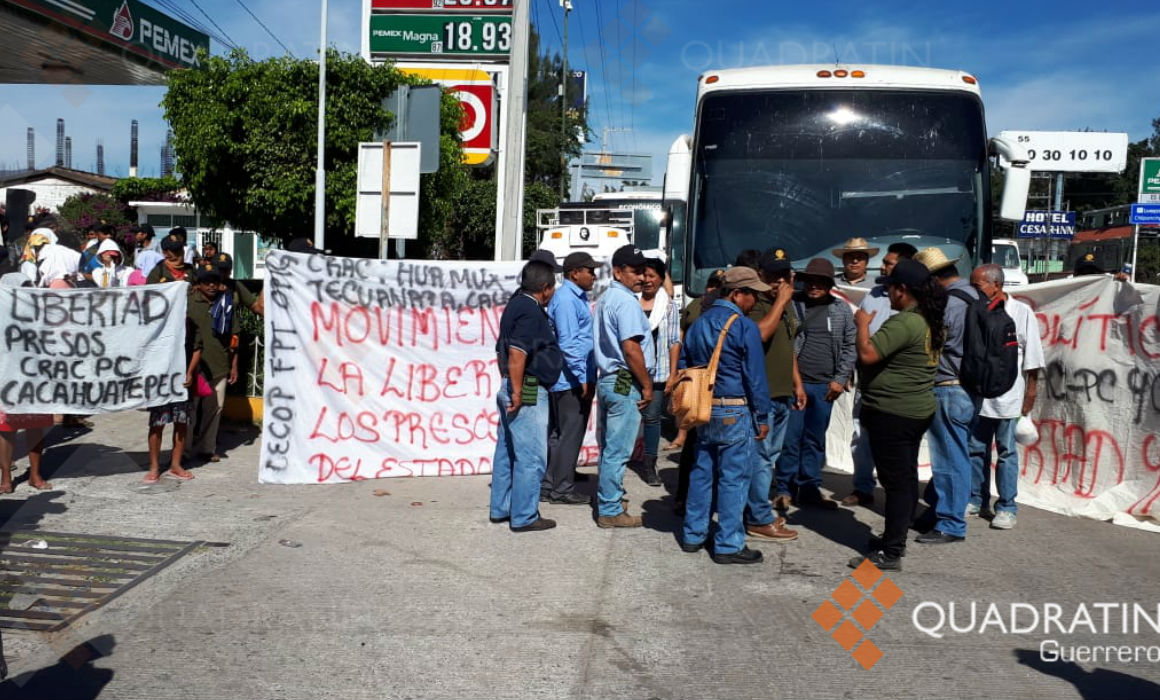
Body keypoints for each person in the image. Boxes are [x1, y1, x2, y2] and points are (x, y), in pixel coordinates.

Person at [848, 258, 946, 571]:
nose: (887, 293)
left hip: (894, 412)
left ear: (902, 290)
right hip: (911, 410)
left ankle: (891, 551)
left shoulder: (905, 322)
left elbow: (868, 353)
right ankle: (893, 538)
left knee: (898, 484)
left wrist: (862, 324)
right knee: (902, 480)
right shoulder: (926, 318)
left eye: (890, 287)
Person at [680, 266, 773, 564]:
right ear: (736, 293)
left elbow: (686, 365)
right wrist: (762, 416)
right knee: (734, 478)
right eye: (752, 295)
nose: (756, 301)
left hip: (704, 408)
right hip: (735, 407)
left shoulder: (699, 323)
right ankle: (729, 545)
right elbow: (755, 376)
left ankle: (693, 535)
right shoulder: (743, 326)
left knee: (702, 471)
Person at [772, 258, 855, 511]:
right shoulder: (793, 305)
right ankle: (784, 488)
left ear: (829, 285)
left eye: (820, 282)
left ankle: (809, 486)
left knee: (815, 439)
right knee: (790, 438)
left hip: (825, 386)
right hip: (794, 383)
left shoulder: (840, 309)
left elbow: (851, 346)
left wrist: (840, 380)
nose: (814, 286)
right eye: (811, 281)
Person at [967, 264, 1044, 530]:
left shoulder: (1021, 313)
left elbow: (1032, 357)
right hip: (978, 396)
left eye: (977, 286)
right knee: (976, 449)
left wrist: (1031, 391)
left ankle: (1007, 506)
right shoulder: (974, 311)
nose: (973, 290)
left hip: (1009, 397)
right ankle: (977, 499)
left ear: (995, 285)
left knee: (1007, 452)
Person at [912, 247, 981, 544]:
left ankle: (951, 523)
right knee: (958, 453)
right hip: (970, 388)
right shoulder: (977, 296)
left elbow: (936, 346)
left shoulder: (951, 304)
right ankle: (941, 509)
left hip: (948, 387)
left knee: (949, 459)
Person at [489, 260, 563, 532]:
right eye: (553, 287)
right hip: (527, 388)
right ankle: (524, 515)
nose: (554, 292)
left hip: (512, 384)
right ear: (544, 288)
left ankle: (502, 507)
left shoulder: (515, 304)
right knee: (531, 455)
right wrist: (518, 392)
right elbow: (517, 352)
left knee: (508, 451)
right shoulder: (530, 311)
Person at [843, 242, 919, 507]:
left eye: (889, 263)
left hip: (898, 385)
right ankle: (863, 487)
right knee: (861, 436)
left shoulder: (915, 300)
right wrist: (852, 367)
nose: (883, 266)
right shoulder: (873, 294)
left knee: (896, 443)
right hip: (868, 379)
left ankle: (898, 497)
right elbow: (857, 332)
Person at [742, 249, 803, 541]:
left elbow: (788, 346)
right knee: (761, 458)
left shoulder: (787, 305)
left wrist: (797, 384)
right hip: (761, 395)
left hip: (782, 394)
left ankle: (757, 510)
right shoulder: (757, 302)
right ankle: (758, 518)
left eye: (783, 275)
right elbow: (758, 336)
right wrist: (779, 301)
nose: (779, 281)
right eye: (773, 275)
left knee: (770, 456)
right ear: (762, 276)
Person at [593, 244, 654, 528]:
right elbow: (631, 349)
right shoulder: (626, 302)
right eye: (635, 272)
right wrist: (647, 385)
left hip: (611, 378)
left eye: (643, 272)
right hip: (625, 378)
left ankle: (611, 497)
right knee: (617, 450)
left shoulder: (608, 298)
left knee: (610, 446)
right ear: (618, 272)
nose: (641, 278)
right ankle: (609, 510)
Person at [543, 251, 597, 506]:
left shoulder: (573, 296)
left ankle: (551, 483)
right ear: (575, 272)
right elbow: (568, 342)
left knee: (559, 434)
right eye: (590, 270)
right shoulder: (566, 299)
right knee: (569, 434)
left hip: (567, 378)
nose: (594, 276)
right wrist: (581, 375)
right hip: (570, 379)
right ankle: (562, 488)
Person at [673, 269, 725, 513]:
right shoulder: (695, 307)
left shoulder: (721, 308)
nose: (713, 288)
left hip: (717, 385)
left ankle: (701, 502)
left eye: (719, 285)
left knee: (707, 450)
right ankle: (683, 498)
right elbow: (682, 339)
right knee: (694, 448)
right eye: (712, 283)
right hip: (698, 385)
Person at [145, 283, 203, 484]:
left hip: (180, 382)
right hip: (160, 381)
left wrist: (189, 372)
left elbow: (197, 348)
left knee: (181, 423)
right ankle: (154, 467)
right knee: (157, 424)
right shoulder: (153, 323)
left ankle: (175, 465)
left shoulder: (187, 323)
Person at [0, 273, 53, 493]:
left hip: (35, 380)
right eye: (21, 287)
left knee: (35, 428)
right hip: (7, 380)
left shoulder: (38, 314)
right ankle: (5, 478)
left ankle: (35, 474)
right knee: (7, 429)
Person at [637, 256, 680, 487]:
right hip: (631, 371)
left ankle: (649, 464)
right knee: (627, 418)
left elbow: (674, 341)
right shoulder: (630, 301)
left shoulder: (669, 307)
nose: (646, 280)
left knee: (652, 418)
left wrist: (673, 373)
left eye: (652, 276)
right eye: (643, 274)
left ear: (661, 279)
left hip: (658, 372)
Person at [185, 268, 233, 464]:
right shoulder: (189, 303)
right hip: (194, 366)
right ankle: (184, 449)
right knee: (190, 411)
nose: (211, 285)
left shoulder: (226, 303)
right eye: (206, 282)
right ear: (198, 285)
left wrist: (234, 365)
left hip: (219, 364)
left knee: (214, 409)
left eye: (215, 281)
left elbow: (233, 336)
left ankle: (207, 448)